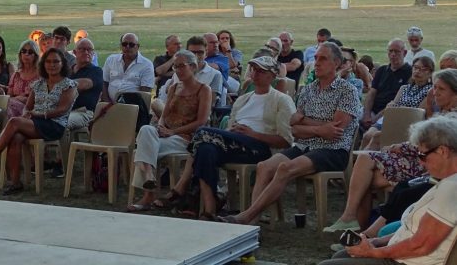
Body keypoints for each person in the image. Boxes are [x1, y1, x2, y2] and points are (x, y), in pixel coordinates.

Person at [222, 42, 361, 225]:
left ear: (336, 63)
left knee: (284, 169)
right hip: (304, 145)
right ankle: (253, 222)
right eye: (316, 58)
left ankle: (246, 217)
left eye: (323, 59)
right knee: (264, 166)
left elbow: (335, 131)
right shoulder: (308, 89)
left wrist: (303, 121)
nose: (316, 63)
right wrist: (319, 128)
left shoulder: (346, 90)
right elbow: (294, 130)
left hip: (333, 150)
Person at [322, 68, 456, 234]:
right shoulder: (443, 111)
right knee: (365, 166)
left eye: (441, 89)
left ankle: (359, 228)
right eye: (434, 88)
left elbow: (431, 146)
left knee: (366, 175)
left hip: (429, 166)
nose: (435, 93)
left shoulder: (453, 118)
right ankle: (359, 229)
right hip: (422, 160)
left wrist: (399, 147)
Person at [164, 56, 295, 218]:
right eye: (254, 69)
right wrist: (232, 132)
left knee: (203, 132)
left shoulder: (281, 100)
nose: (255, 74)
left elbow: (286, 140)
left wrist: (252, 134)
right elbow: (226, 131)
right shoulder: (243, 100)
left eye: (261, 71)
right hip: (234, 144)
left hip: (259, 148)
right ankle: (210, 208)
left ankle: (182, 185)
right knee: (205, 149)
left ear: (272, 76)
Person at [317, 115, 457, 265]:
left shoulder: (451, 188)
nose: (421, 164)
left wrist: (373, 252)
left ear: (442, 151)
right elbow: (414, 232)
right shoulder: (445, 182)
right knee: (341, 255)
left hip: (410, 261)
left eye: (422, 156)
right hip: (404, 255)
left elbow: (421, 245)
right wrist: (377, 241)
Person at [0, 48, 77, 195]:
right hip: (35, 122)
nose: (52, 65)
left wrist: (39, 115)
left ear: (62, 64)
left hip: (54, 124)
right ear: (43, 64)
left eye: (56, 61)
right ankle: (15, 182)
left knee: (14, 122)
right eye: (48, 61)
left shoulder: (68, 85)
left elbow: (62, 110)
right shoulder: (38, 84)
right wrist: (27, 114)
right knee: (15, 137)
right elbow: (28, 106)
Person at [127, 50, 212, 212]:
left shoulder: (203, 90)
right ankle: (150, 177)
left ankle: (147, 195)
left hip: (185, 139)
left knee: (144, 149)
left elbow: (201, 121)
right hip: (166, 135)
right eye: (175, 67)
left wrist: (173, 132)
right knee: (146, 130)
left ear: (193, 67)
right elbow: (164, 115)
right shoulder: (173, 88)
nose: (178, 70)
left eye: (181, 66)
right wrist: (160, 125)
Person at [52, 37, 103, 178]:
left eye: (90, 50)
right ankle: (40, 158)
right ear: (75, 52)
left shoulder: (96, 71)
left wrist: (61, 85)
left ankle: (63, 165)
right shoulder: (68, 70)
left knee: (62, 122)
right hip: (63, 109)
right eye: (82, 49)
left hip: (84, 112)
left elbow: (84, 84)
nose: (86, 52)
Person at [362, 56, 434, 150]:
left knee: (377, 136)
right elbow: (391, 106)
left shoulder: (430, 91)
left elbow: (418, 112)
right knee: (367, 135)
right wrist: (379, 116)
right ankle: (357, 161)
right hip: (391, 118)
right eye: (415, 68)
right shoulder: (404, 88)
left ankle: (367, 161)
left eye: (423, 69)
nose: (417, 71)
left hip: (408, 123)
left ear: (430, 73)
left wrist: (396, 107)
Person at [155, 36, 223, 115]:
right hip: (172, 113)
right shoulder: (179, 72)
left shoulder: (215, 75)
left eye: (200, 53)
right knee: (155, 105)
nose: (196, 56)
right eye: (192, 53)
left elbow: (211, 104)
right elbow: (168, 98)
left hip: (196, 116)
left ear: (206, 53)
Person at [363, 40, 412, 129]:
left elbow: (397, 101)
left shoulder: (410, 73)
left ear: (404, 53)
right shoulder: (382, 70)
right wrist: (367, 114)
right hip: (372, 111)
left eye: (397, 51)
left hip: (391, 112)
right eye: (390, 51)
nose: (393, 54)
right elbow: (371, 93)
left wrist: (375, 118)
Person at [100, 32, 155, 106]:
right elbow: (104, 83)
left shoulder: (146, 65)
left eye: (131, 45)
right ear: (121, 46)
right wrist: (107, 103)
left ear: (137, 47)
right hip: (109, 105)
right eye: (124, 44)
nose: (127, 47)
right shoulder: (111, 60)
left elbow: (145, 93)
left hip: (133, 107)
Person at [6, 40, 41, 118]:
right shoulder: (16, 75)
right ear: (20, 54)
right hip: (12, 105)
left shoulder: (40, 76)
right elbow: (9, 96)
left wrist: (21, 99)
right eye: (24, 51)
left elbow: (41, 99)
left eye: (30, 52)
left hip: (31, 110)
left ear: (35, 55)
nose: (26, 54)